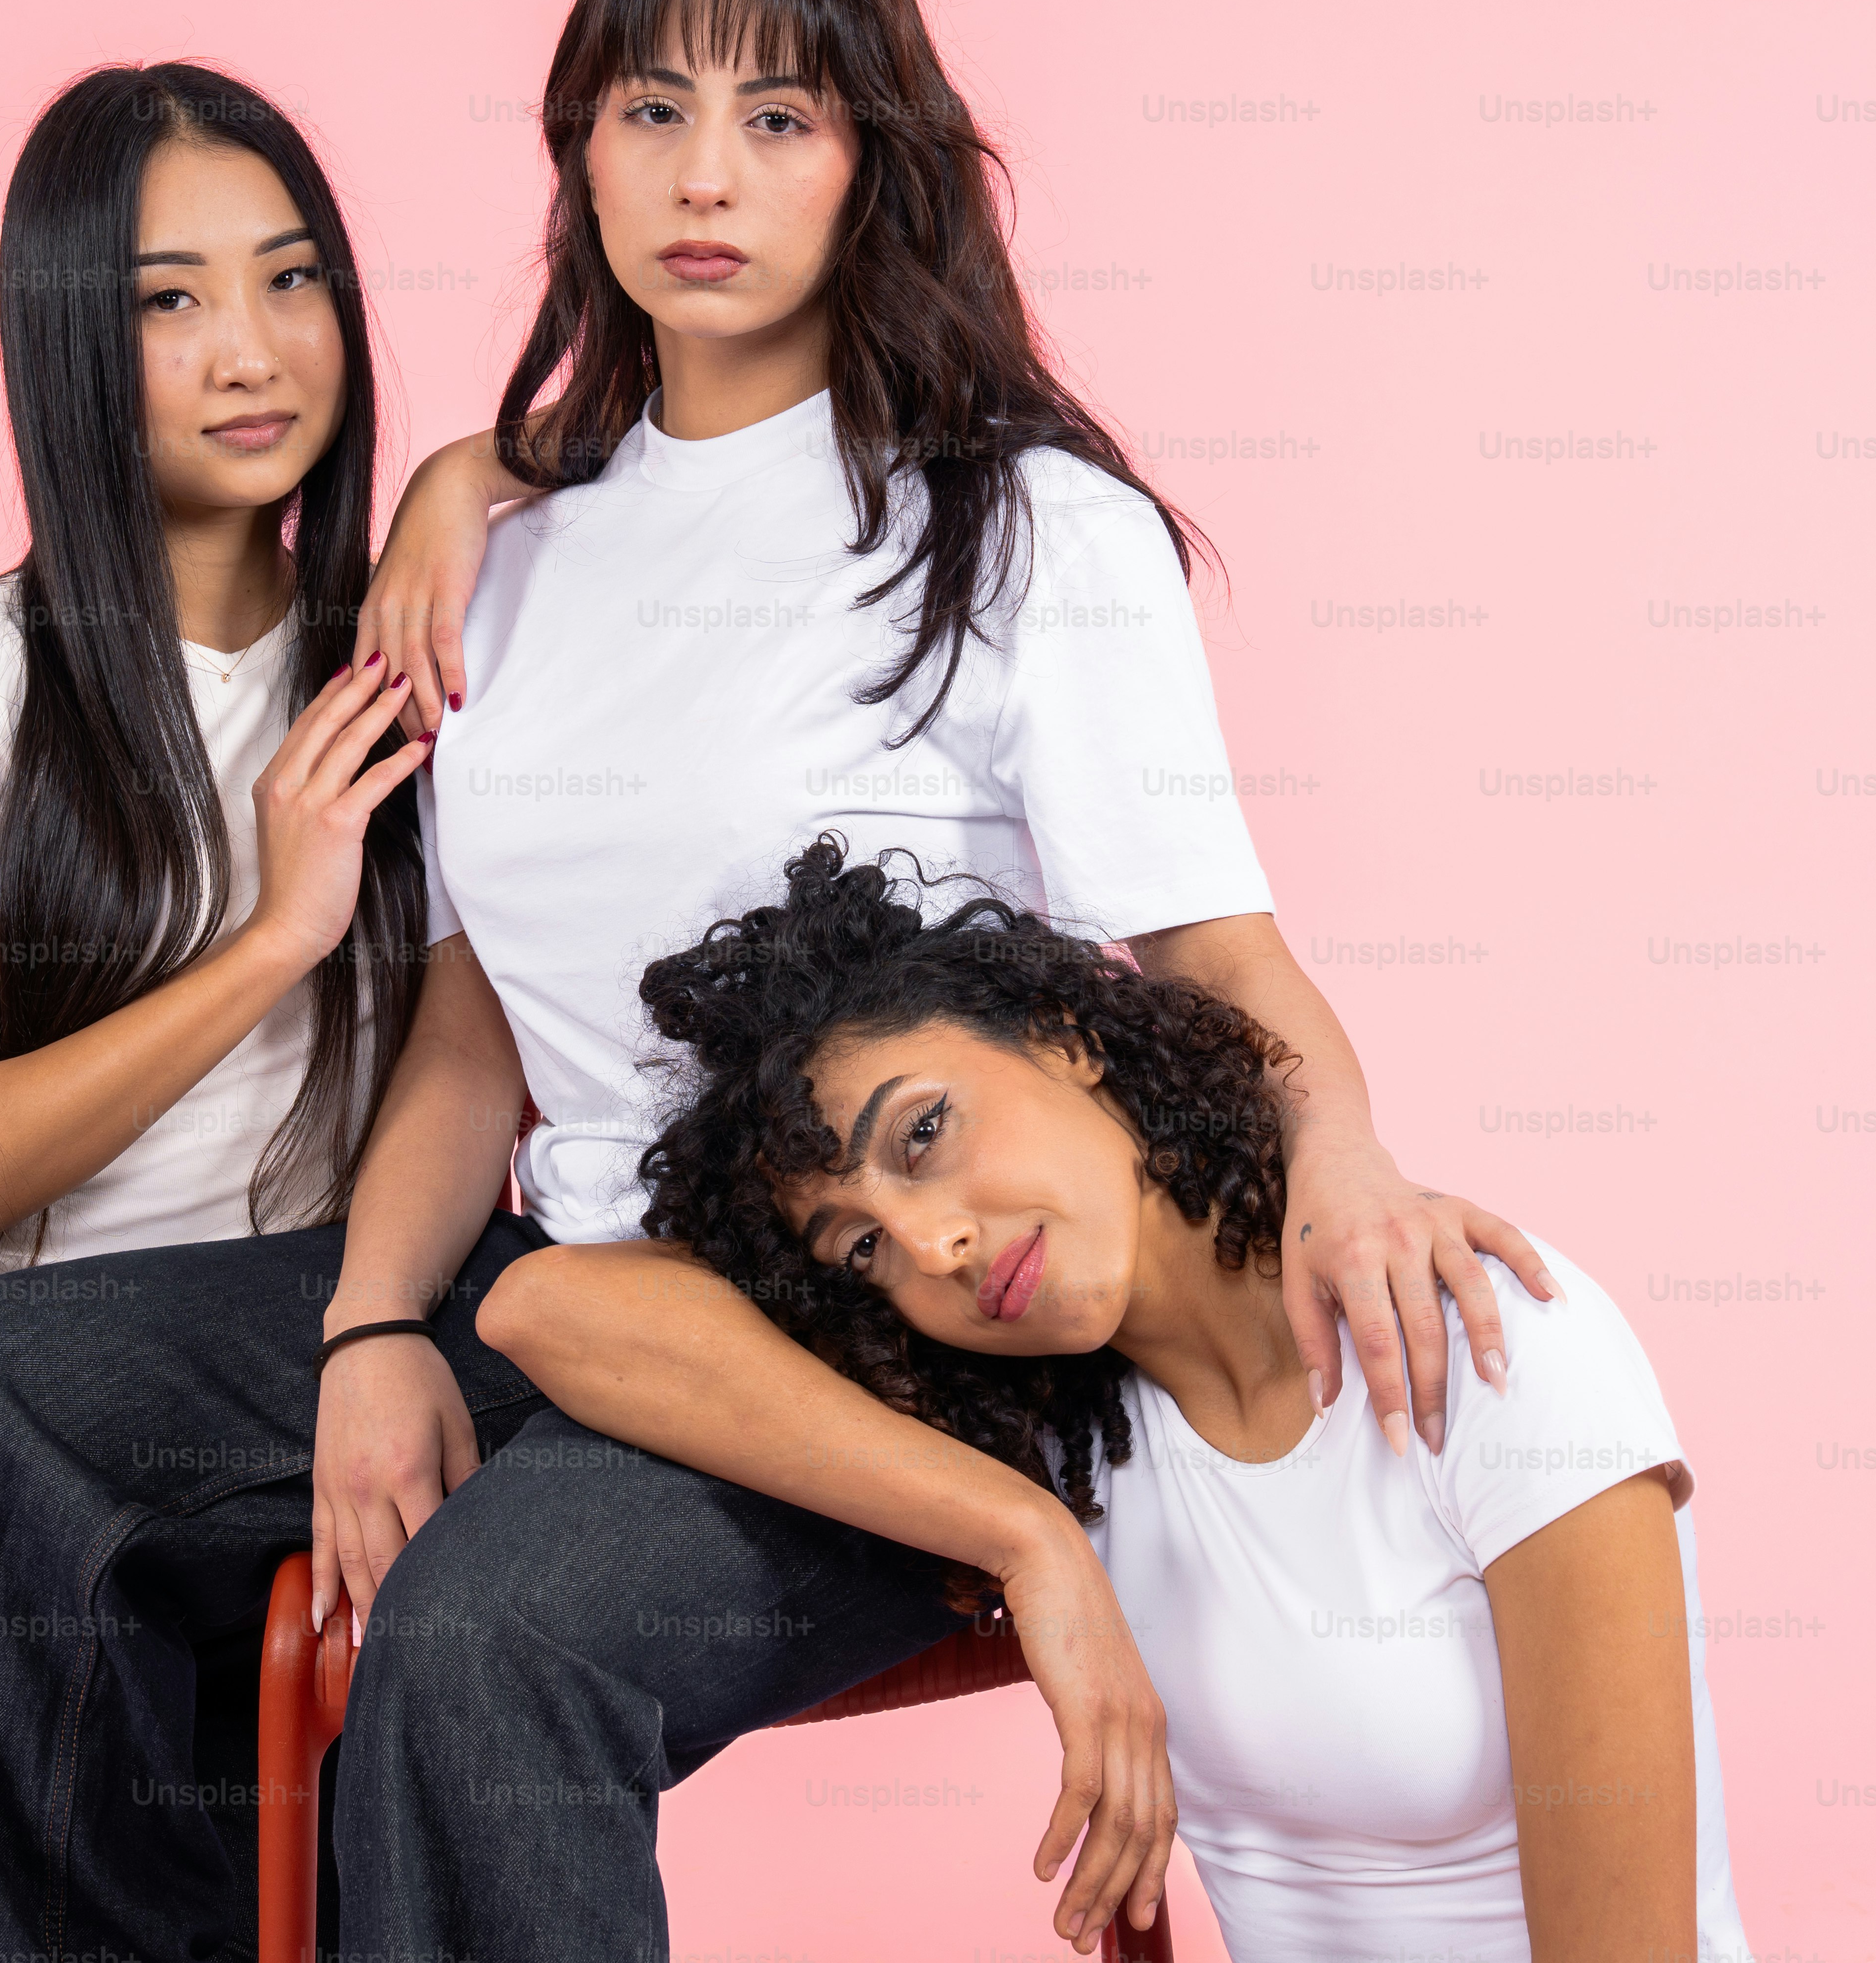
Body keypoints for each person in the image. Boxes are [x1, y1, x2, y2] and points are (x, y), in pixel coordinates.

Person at [0, 0, 1552, 1963]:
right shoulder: (511, 559)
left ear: (865, 166)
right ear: (581, 157)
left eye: (778, 118)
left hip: (884, 1325)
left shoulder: (1026, 530)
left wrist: (1348, 1157)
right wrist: (363, 1325)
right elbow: (479, 1023)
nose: (705, 172)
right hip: (564, 1280)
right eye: (650, 110)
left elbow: (1214, 958)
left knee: (480, 1649)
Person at [488, 835, 1754, 1963]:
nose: (931, 1247)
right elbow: (541, 1310)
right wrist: (1028, 1539)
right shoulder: (1077, 1447)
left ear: (1069, 1039)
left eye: (923, 1134)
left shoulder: (1475, 1338)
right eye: (860, 1250)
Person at [0, 61, 434, 1961]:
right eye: (168, 302)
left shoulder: (406, 661)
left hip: (239, 1447)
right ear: (64, 344)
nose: (251, 349)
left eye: (292, 282)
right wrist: (273, 942)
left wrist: (472, 483)